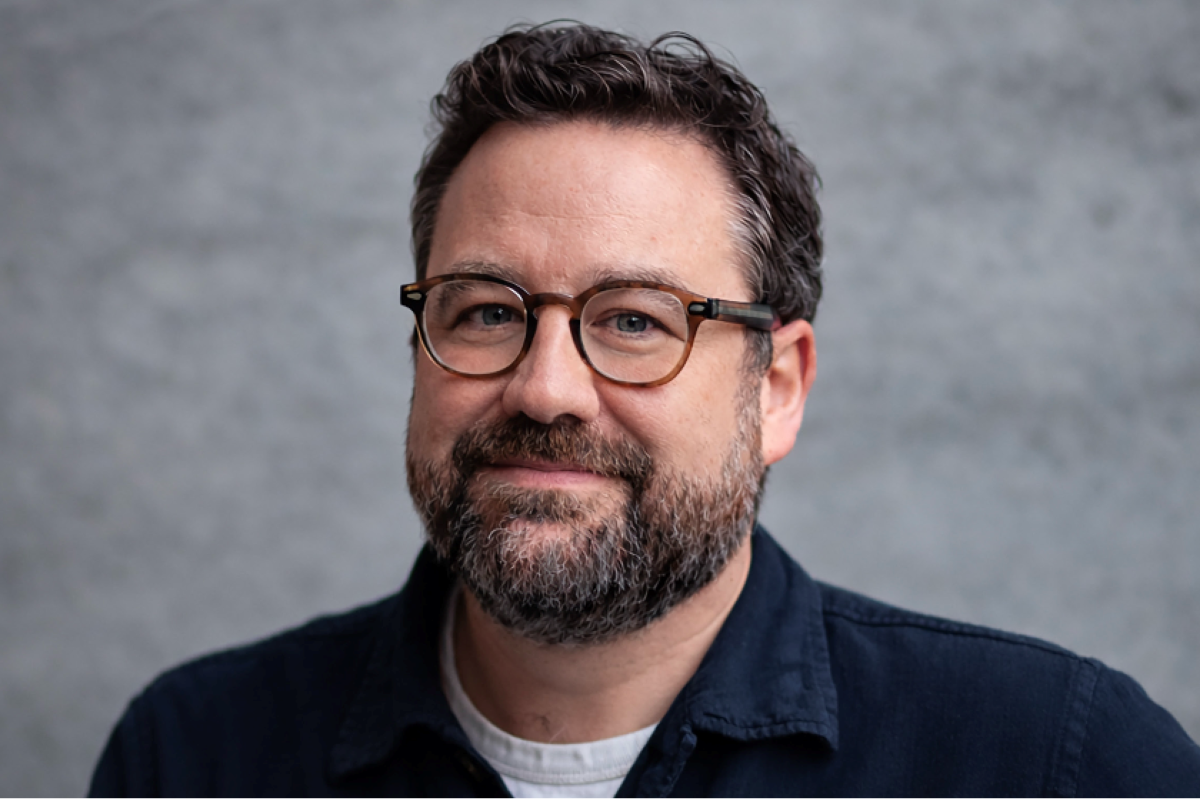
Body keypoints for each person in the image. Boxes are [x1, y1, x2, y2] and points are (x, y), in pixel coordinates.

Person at [90, 23, 1200, 797]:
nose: (545, 387)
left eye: (633, 319)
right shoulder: (192, 754)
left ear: (776, 388)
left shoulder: (1058, 764)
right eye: (485, 311)